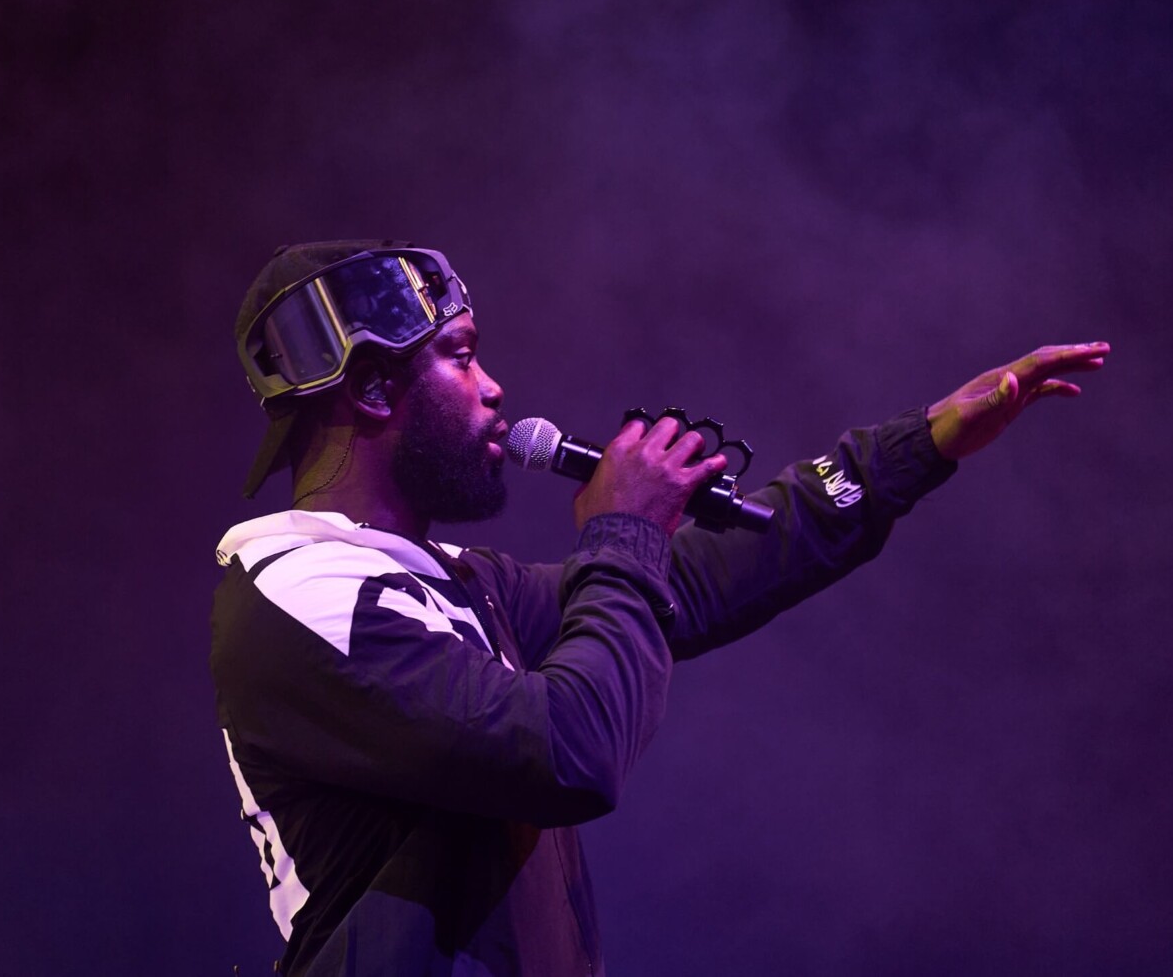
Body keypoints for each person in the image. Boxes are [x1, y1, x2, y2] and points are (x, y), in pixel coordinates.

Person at [210, 240, 1109, 977]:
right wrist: (622, 533)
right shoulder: (305, 592)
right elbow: (567, 751)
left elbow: (699, 580)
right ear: (371, 389)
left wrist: (914, 449)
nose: (492, 388)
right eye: (460, 354)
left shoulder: (438, 578)